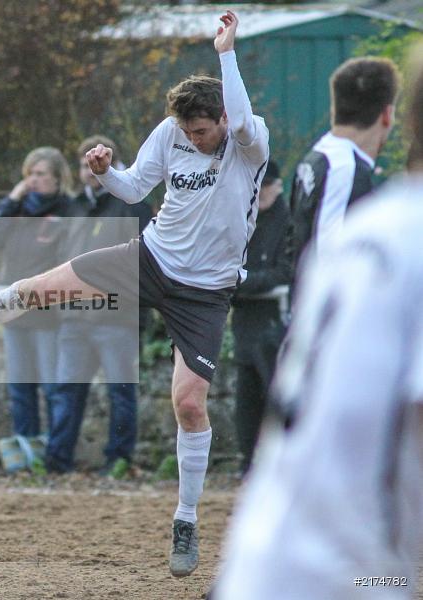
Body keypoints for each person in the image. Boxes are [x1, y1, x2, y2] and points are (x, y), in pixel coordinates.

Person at [0, 11, 268, 577]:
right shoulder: (170, 133)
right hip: (149, 258)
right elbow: (131, 188)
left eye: (202, 132)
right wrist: (104, 171)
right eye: (188, 134)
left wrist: (226, 53)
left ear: (222, 116)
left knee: (189, 404)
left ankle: (186, 519)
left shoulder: (249, 140)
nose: (194, 141)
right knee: (42, 288)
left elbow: (240, 118)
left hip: (205, 291)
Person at [213, 46, 423, 600]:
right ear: (387, 114)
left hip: (287, 549)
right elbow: (335, 258)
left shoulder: (328, 166)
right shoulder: (367, 195)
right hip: (342, 569)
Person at [45, 135, 152, 475]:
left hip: (117, 318)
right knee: (66, 392)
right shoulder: (74, 207)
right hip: (74, 318)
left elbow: (143, 260)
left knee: (120, 392)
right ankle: (56, 462)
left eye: (95, 160)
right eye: (82, 163)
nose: (88, 169)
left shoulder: (132, 204)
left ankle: (118, 462)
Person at [0, 147, 72, 439]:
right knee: (20, 387)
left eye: (41, 174)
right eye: (30, 173)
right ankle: (27, 447)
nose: (33, 180)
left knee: (52, 386)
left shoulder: (68, 209)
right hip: (13, 311)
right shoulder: (16, 209)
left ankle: (56, 452)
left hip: (48, 313)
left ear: (58, 178)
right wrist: (10, 200)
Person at [291, 56, 399, 272]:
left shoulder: (318, 156)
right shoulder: (343, 168)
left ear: (335, 109)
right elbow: (330, 261)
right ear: (387, 115)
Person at [229, 160, 291, 474]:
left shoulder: (288, 222)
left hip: (274, 325)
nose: (260, 193)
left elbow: (286, 272)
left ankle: (277, 464)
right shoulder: (244, 219)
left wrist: (243, 282)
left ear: (278, 186)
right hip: (245, 324)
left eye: (266, 187)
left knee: (274, 394)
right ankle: (247, 461)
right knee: (246, 400)